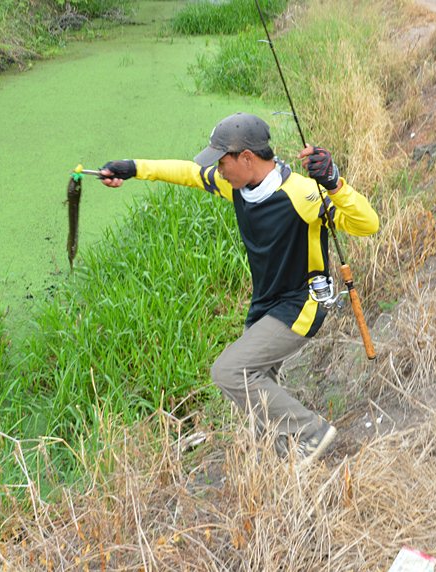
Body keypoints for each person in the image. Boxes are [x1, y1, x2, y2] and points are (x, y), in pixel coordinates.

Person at [100, 112, 379, 466]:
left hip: (300, 305)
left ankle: (311, 433)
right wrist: (132, 167)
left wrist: (336, 184)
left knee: (230, 371)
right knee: (258, 392)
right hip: (265, 305)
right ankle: (286, 460)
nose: (217, 169)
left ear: (246, 158)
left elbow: (368, 225)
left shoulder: (303, 194)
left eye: (222, 161)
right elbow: (186, 173)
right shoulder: (235, 186)